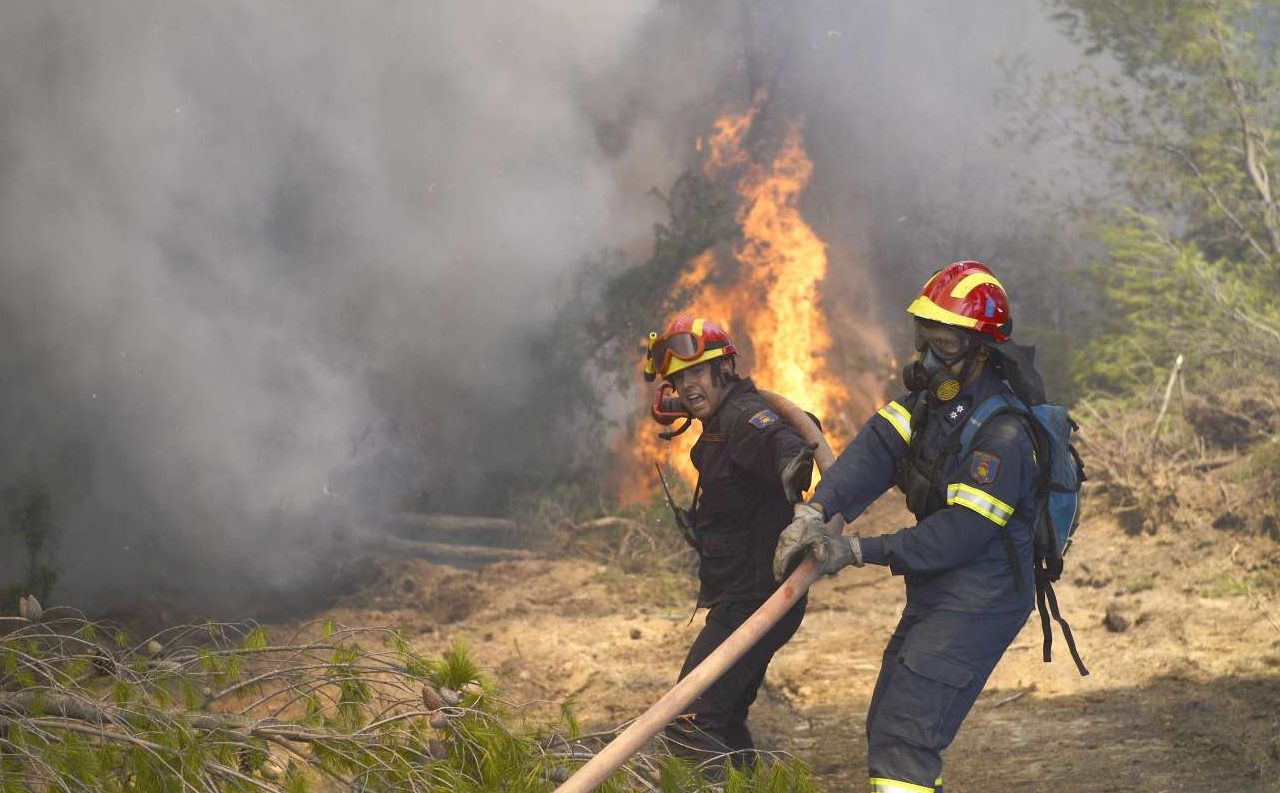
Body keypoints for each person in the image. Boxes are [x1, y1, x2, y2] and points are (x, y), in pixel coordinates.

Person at [773, 261, 1047, 793]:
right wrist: (816, 508)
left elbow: (960, 535)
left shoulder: (1004, 435)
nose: (926, 358)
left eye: (944, 346)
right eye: (926, 340)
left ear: (981, 352)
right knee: (888, 726)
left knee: (904, 740)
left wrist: (855, 549)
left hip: (981, 594)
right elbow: (877, 447)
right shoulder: (935, 404)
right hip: (940, 587)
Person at [643, 314, 818, 776]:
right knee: (724, 716)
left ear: (724, 369)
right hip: (745, 598)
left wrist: (793, 467)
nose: (687, 386)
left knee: (691, 721)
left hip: (759, 602)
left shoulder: (745, 418)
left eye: (697, 372)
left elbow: (784, 444)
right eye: (679, 378)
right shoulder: (722, 419)